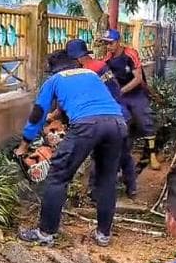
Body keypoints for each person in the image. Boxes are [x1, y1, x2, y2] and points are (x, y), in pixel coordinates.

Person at [14, 48, 129, 247]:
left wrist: (24, 145)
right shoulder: (91, 74)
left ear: (53, 69)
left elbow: (38, 114)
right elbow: (96, 101)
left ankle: (45, 233)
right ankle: (103, 234)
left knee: (58, 176)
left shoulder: (55, 80)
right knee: (107, 179)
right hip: (117, 124)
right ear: (75, 63)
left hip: (87, 126)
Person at [65, 38, 140, 202]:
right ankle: (132, 189)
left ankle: (95, 192)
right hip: (123, 115)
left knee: (99, 154)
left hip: (109, 119)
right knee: (124, 154)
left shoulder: (85, 73)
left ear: (76, 58)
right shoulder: (101, 65)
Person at [99, 28, 158, 170]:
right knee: (123, 123)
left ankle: (152, 154)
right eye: (106, 43)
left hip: (136, 93)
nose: (109, 46)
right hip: (121, 96)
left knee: (146, 121)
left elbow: (138, 79)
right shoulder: (107, 60)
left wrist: (120, 91)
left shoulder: (130, 54)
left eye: (111, 43)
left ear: (118, 42)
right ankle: (123, 158)